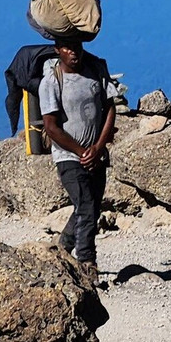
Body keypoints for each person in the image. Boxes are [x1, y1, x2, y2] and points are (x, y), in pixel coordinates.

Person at [39, 37, 117, 285]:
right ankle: (87, 262)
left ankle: (62, 250)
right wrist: (83, 151)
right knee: (85, 204)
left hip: (96, 153)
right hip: (68, 155)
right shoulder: (51, 81)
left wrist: (98, 147)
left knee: (90, 207)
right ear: (57, 50)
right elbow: (51, 127)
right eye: (67, 47)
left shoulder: (95, 71)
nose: (74, 52)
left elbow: (109, 108)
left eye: (77, 46)